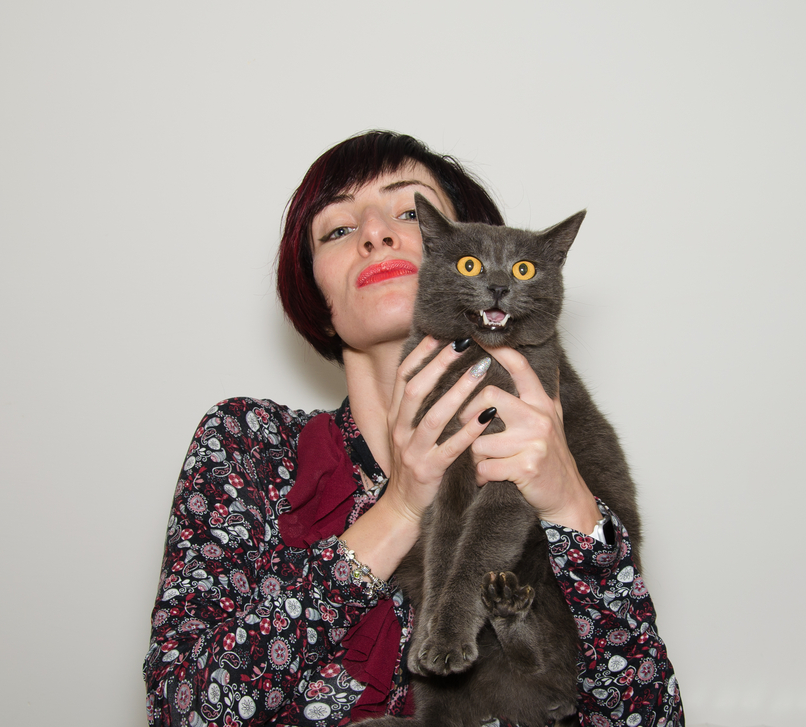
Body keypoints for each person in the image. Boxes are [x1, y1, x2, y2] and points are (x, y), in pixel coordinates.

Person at [143, 131, 683, 727]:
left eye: (408, 212)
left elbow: (649, 717)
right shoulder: (249, 445)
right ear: (314, 291)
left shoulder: (561, 445)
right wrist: (400, 508)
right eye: (339, 230)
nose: (375, 232)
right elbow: (183, 710)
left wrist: (574, 510)